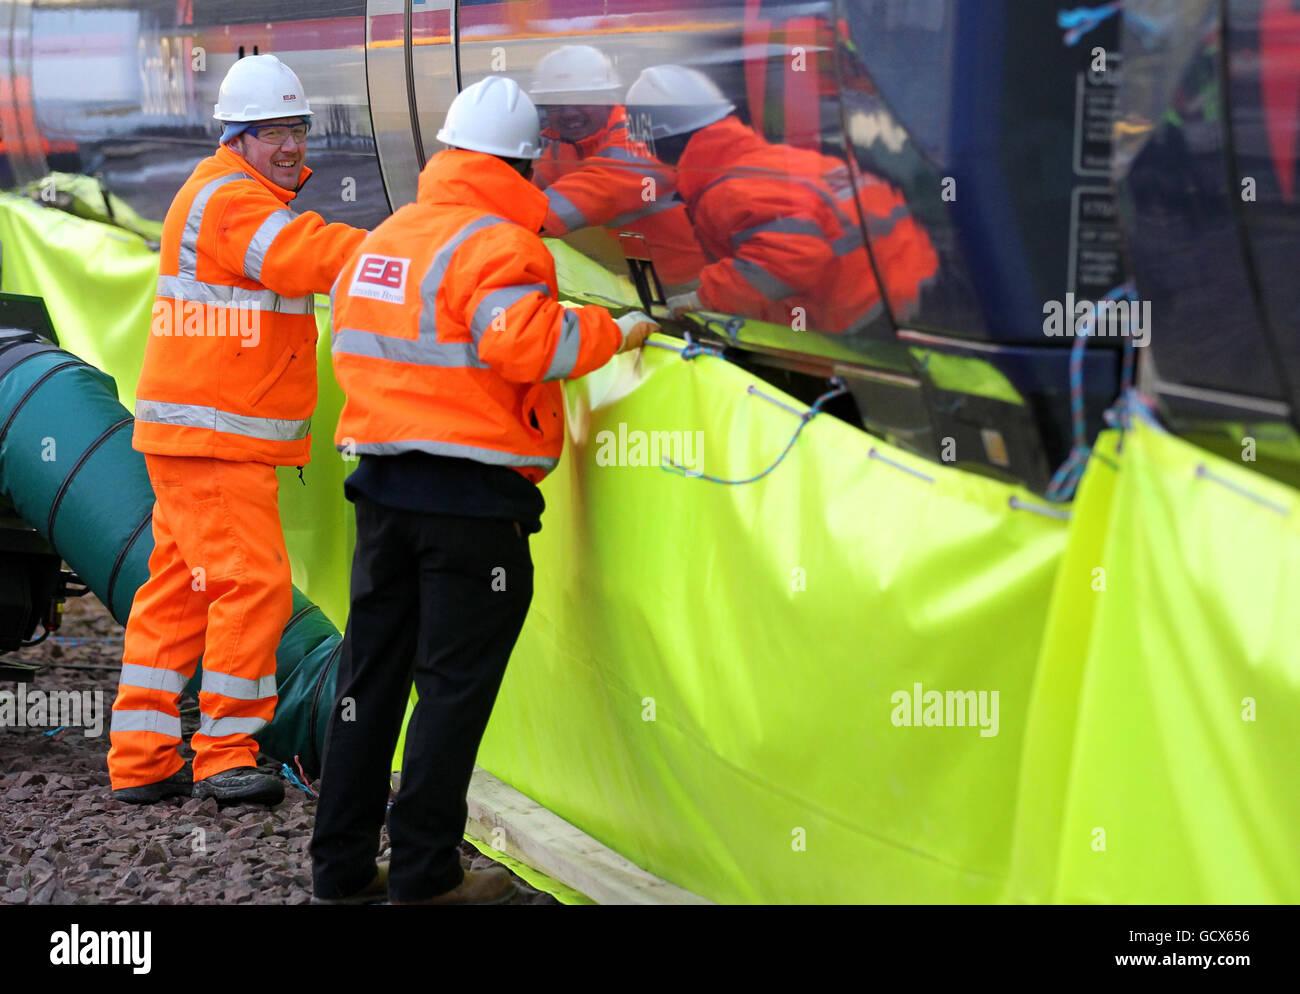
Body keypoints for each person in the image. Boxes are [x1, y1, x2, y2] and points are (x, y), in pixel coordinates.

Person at [309, 75, 657, 905]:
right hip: (471, 505)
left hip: (384, 491)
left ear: (449, 153)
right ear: (525, 166)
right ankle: (427, 876)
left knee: (369, 684)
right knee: (451, 692)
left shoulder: (388, 236)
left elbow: (353, 347)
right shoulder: (503, 243)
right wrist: (616, 330)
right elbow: (521, 345)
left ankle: (341, 870)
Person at [107, 55, 367, 807]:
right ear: (238, 136)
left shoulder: (228, 191)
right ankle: (226, 751)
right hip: (214, 439)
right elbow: (299, 258)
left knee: (177, 595)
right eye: (272, 132)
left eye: (297, 129)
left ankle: (143, 758)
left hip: (193, 436)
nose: (291, 146)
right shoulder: (234, 202)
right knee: (252, 585)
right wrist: (398, 255)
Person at [624, 65, 938, 334]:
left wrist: (703, 299)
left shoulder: (726, 190)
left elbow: (789, 259)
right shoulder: (774, 160)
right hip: (913, 283)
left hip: (866, 314)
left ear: (661, 142)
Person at [529, 44, 706, 288]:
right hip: (645, 278)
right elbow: (527, 194)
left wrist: (501, 227)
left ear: (607, 98)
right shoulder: (564, 148)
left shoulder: (641, 136)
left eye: (581, 100)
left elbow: (597, 190)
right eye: (557, 103)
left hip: (702, 281)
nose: (569, 112)